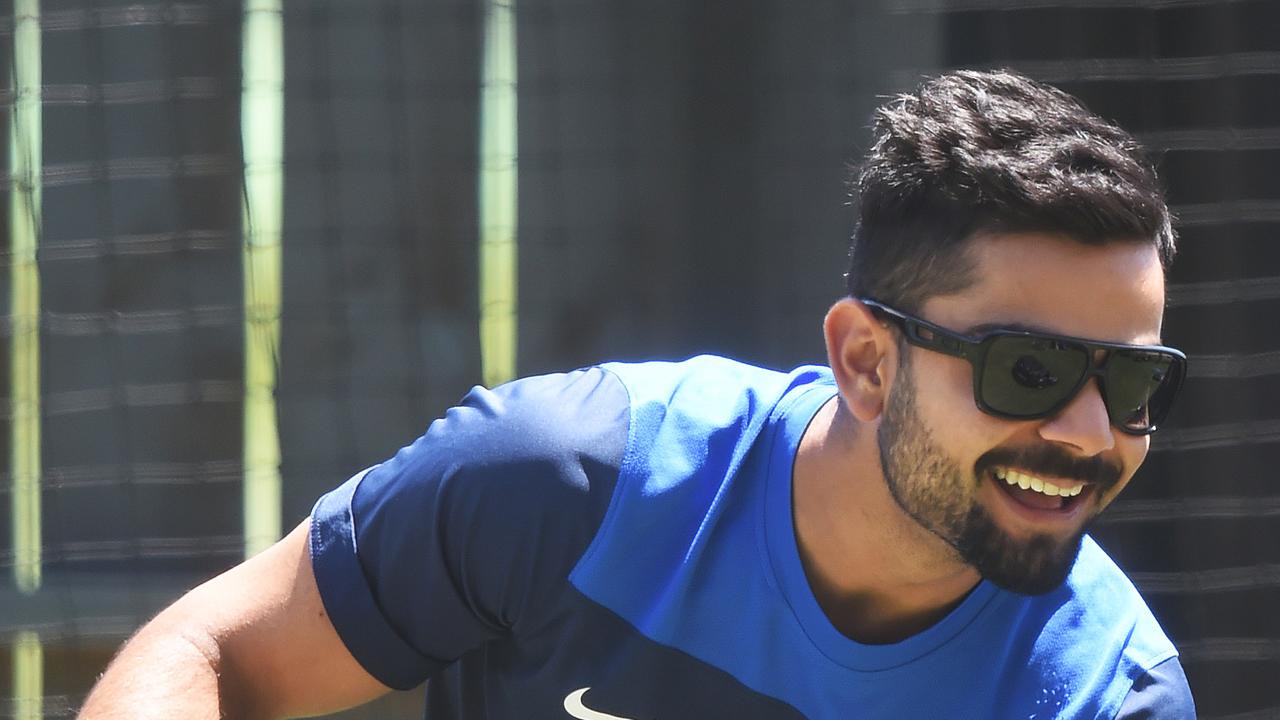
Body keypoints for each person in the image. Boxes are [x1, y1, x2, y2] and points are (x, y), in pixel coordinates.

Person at [80, 70, 1195, 719]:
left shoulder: (1103, 690)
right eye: (1030, 371)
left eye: (1131, 380)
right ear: (864, 360)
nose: (1088, 431)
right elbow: (210, 656)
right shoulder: (563, 480)